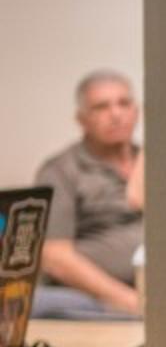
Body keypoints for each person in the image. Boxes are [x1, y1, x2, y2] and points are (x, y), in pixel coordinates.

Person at [31, 71, 145, 320]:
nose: (116, 114)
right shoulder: (60, 170)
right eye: (101, 107)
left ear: (137, 111)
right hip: (96, 297)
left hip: (158, 287)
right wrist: (132, 302)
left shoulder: (151, 161)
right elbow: (54, 257)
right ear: (81, 119)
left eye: (124, 103)